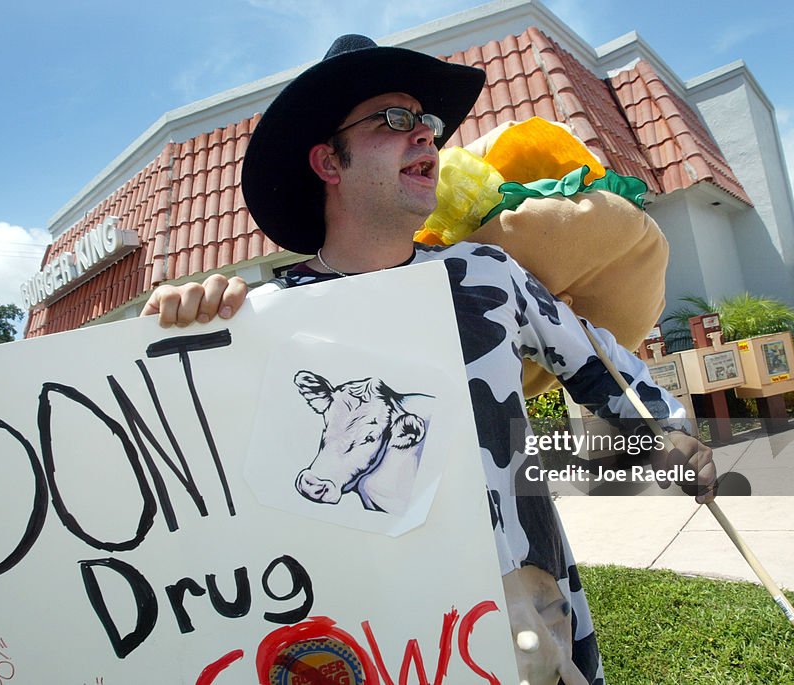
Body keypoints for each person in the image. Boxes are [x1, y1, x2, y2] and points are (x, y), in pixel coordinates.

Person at [143, 34, 716, 685]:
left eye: (429, 123)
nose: (426, 136)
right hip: (377, 633)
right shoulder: (265, 318)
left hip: (529, 603)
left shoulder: (488, 275)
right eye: (394, 120)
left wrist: (663, 430)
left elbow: (595, 360)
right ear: (329, 162)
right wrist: (169, 339)